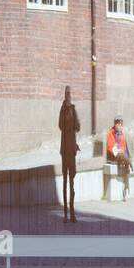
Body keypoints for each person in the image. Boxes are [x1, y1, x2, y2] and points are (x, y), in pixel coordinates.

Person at [58, 86, 80, 222]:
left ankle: (69, 214)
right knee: (68, 181)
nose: (68, 96)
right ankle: (68, 214)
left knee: (68, 182)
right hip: (68, 150)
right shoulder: (68, 109)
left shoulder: (68, 109)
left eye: (68, 94)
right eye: (68, 94)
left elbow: (76, 126)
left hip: (68, 150)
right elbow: (76, 127)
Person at [104, 116, 132, 201]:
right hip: (114, 156)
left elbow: (124, 147)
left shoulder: (123, 134)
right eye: (117, 123)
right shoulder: (111, 133)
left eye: (120, 124)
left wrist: (122, 151)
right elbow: (110, 147)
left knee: (125, 162)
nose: (119, 125)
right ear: (115, 124)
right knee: (125, 160)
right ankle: (129, 163)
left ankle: (125, 188)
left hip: (121, 156)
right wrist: (118, 152)